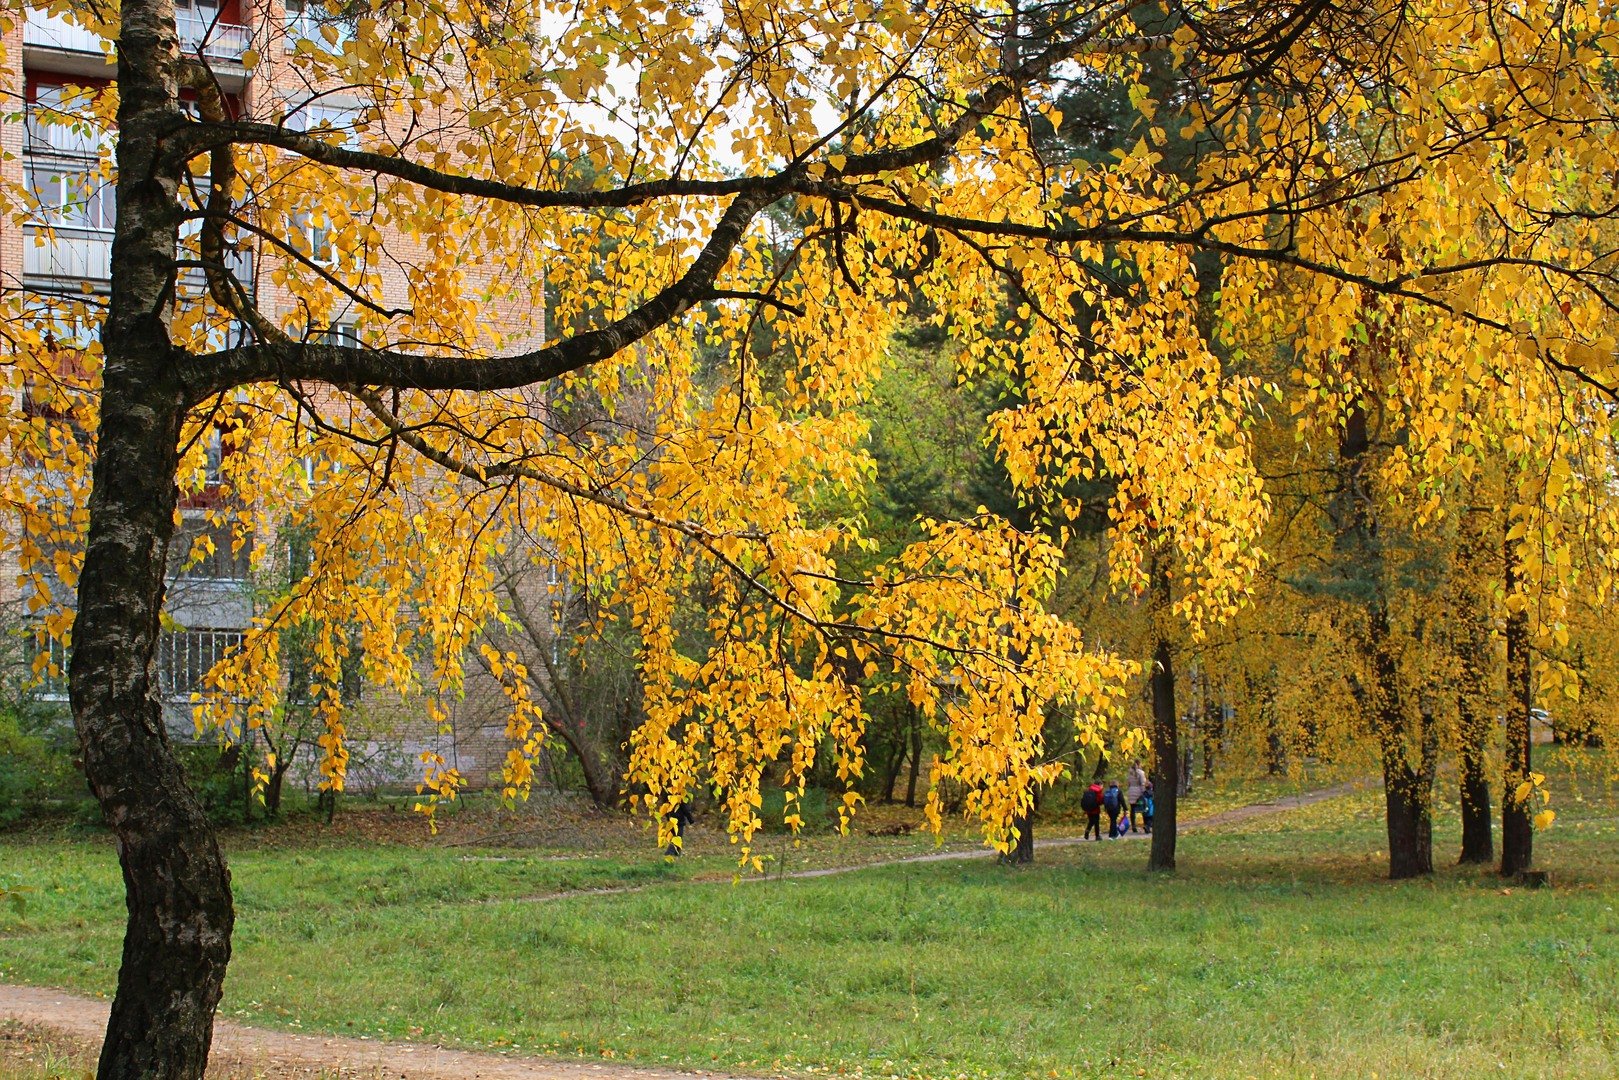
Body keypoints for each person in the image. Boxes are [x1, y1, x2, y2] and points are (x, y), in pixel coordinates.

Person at [1127, 761, 1148, 831]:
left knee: (1132, 809)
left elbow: (1128, 783)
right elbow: (1142, 783)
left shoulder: (1130, 773)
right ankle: (1146, 824)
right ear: (1139, 764)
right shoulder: (1141, 773)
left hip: (1131, 791)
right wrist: (1143, 792)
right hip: (1139, 791)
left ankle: (1133, 826)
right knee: (1143, 808)